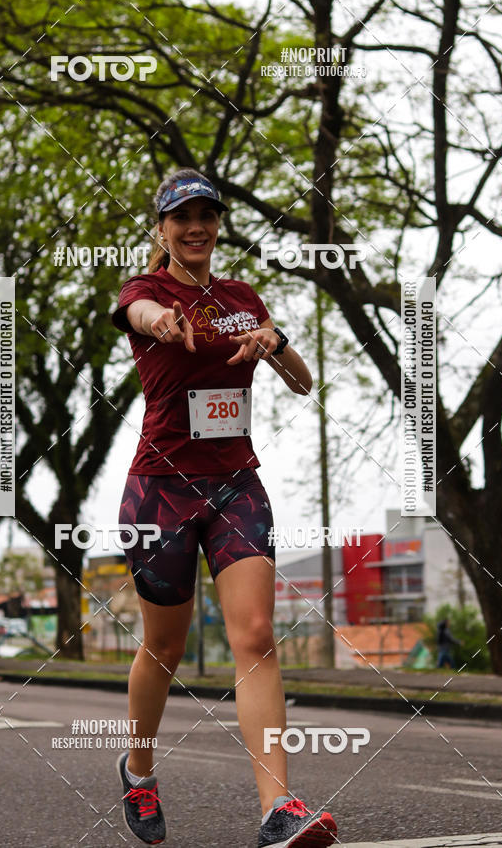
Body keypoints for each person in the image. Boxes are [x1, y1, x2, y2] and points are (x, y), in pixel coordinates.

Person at [111, 168, 337, 847]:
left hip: (237, 484)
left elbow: (302, 383)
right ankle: (140, 770)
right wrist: (164, 321)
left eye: (207, 215)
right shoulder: (144, 291)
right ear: (163, 230)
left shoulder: (242, 297)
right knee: (164, 645)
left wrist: (275, 339)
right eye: (182, 218)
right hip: (162, 489)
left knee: (257, 635)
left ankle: (278, 809)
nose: (196, 227)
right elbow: (139, 314)